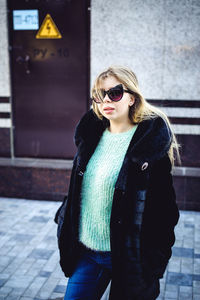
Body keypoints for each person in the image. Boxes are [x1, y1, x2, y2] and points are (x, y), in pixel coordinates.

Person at [54, 65, 180, 300]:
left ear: (132, 98)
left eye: (115, 93)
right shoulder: (89, 138)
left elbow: (166, 212)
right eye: (100, 94)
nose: (106, 100)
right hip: (87, 254)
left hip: (130, 260)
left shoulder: (148, 147)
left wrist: (153, 264)